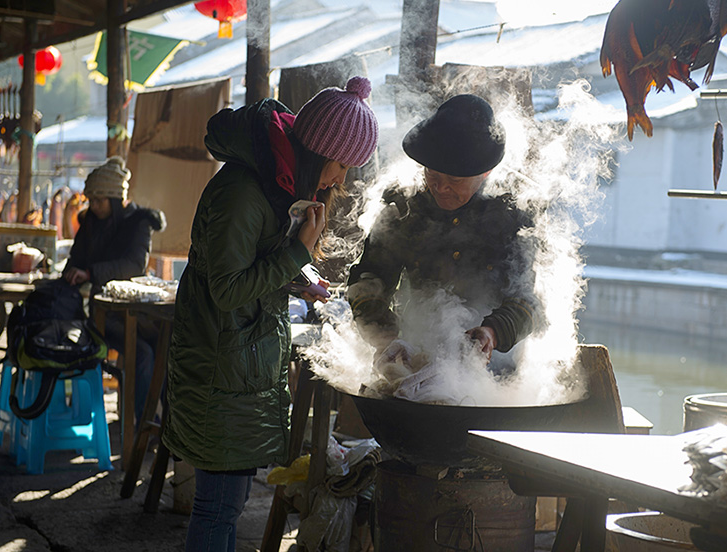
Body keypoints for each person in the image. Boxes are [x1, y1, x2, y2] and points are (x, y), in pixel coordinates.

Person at [162, 76, 379, 551]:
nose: (340, 178)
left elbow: (248, 269)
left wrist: (296, 280)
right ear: (318, 150)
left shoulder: (276, 184)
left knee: (227, 505)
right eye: (341, 164)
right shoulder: (243, 191)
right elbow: (227, 290)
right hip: (220, 367)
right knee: (217, 507)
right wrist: (294, 256)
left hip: (239, 365)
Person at [347, 94, 541, 376]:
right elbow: (368, 281)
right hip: (414, 355)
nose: (441, 188)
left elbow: (527, 301)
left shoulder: (514, 215)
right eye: (433, 176)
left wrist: (493, 332)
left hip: (493, 366)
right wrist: (386, 338)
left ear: (485, 173)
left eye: (455, 181)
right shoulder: (403, 209)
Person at [63, 155, 166, 423]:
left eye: (100, 200)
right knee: (143, 354)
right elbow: (75, 259)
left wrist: (90, 272)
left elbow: (134, 265)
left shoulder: (139, 222)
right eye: (92, 200)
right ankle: (145, 425)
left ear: (115, 199)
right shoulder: (89, 223)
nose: (94, 206)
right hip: (103, 317)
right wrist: (73, 271)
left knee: (166, 346)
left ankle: (163, 423)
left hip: (137, 314)